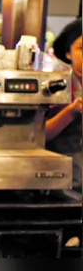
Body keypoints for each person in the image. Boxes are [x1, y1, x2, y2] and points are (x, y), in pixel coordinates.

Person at [46, 18, 82, 194]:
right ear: (68, 53)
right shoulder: (58, 86)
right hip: (64, 185)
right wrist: (71, 112)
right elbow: (40, 135)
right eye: (82, 48)